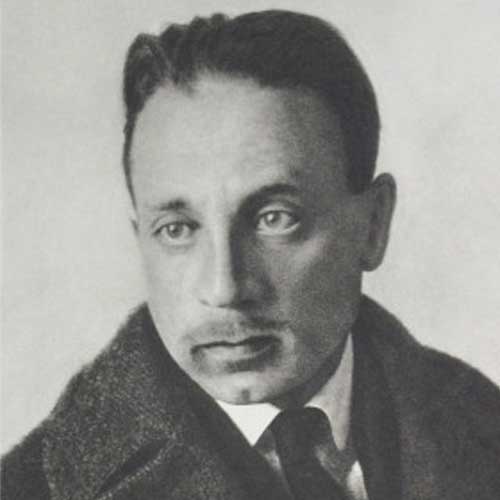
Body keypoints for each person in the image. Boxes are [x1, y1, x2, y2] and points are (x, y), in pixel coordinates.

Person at [2, 9, 500, 500]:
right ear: (142, 241)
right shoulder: (32, 488)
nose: (225, 288)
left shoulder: (482, 426)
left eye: (275, 218)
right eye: (176, 230)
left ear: (372, 225)